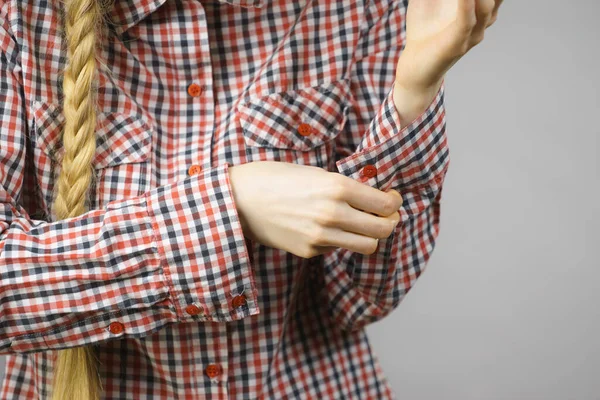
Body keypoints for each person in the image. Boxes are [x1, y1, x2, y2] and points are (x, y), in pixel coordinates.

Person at [0, 0, 501, 398]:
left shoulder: (356, 10)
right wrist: (230, 207)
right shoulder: (19, 17)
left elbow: (364, 301)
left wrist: (415, 87)